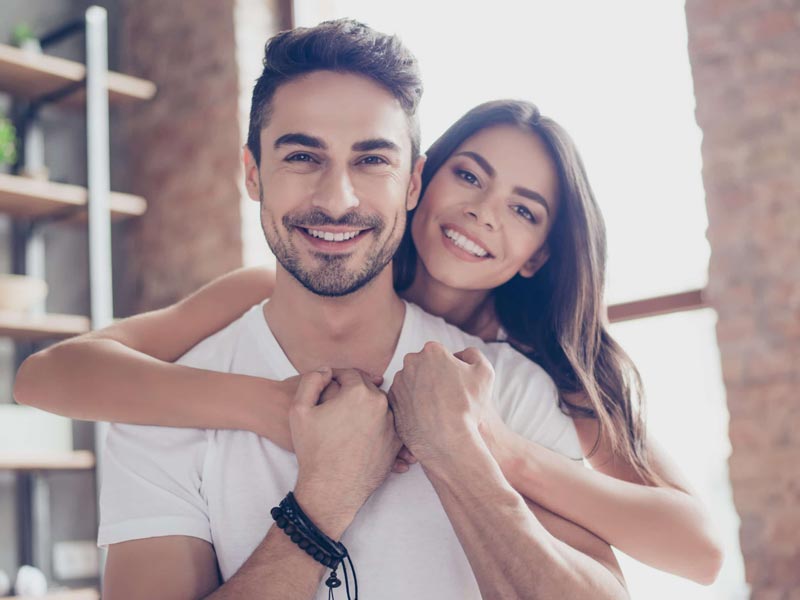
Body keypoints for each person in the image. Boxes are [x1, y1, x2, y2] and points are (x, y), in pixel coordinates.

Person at [14, 20, 723, 594]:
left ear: (405, 180)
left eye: (523, 210)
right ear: (432, 179)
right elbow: (50, 375)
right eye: (470, 177)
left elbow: (698, 549)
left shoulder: (525, 379)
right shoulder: (238, 318)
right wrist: (278, 412)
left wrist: (485, 450)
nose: (481, 214)